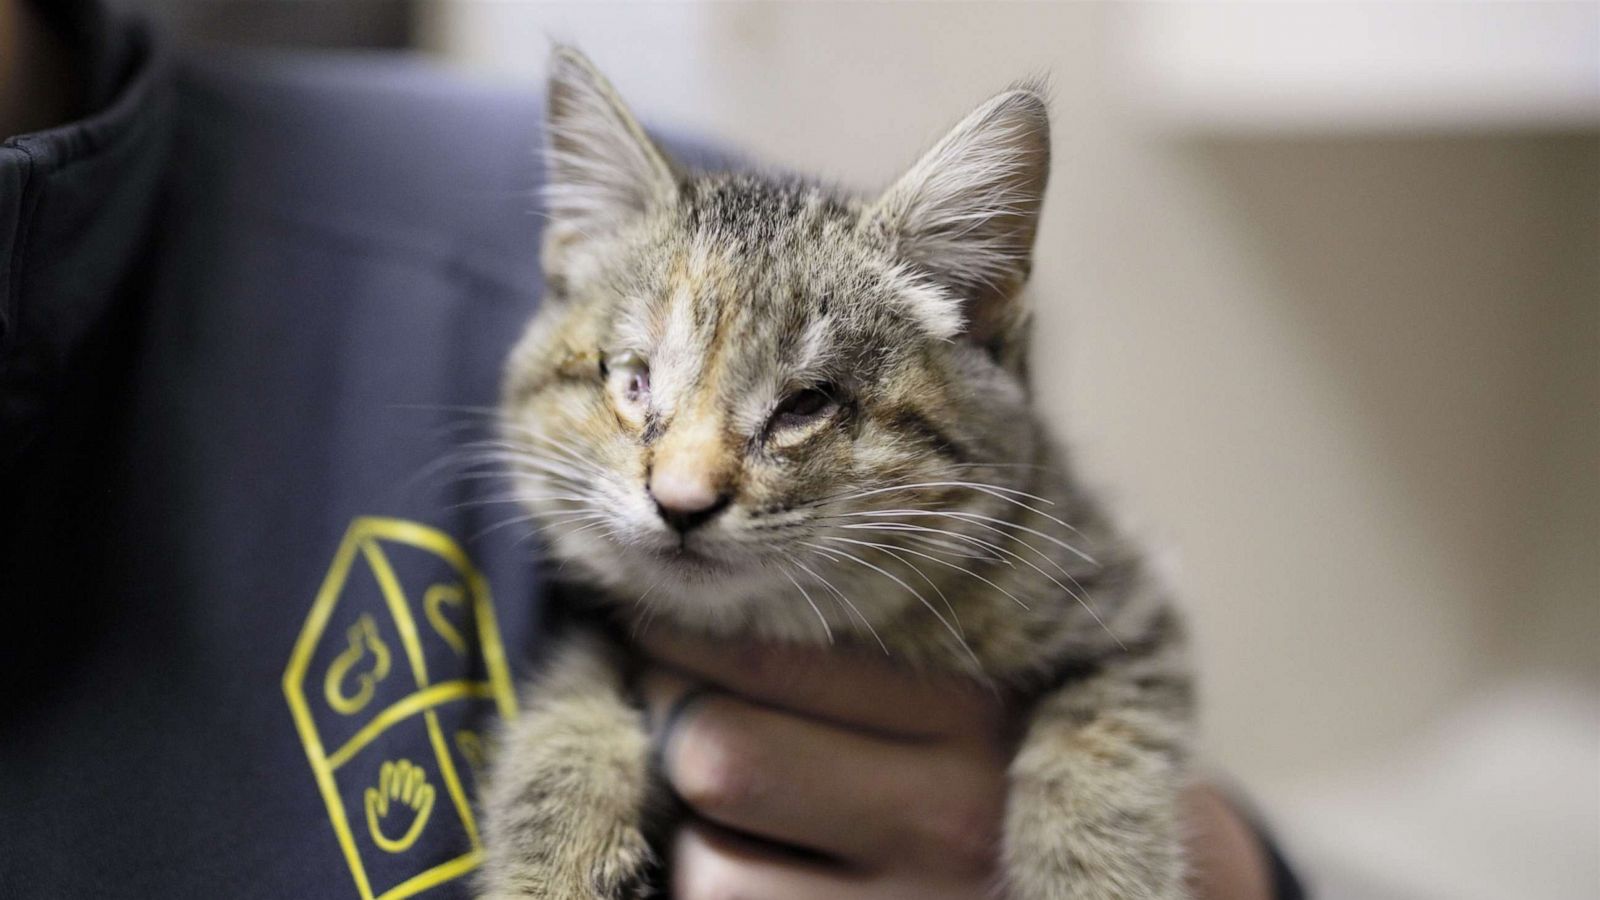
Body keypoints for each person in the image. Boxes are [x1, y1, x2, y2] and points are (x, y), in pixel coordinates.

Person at [0, 2, 1302, 897]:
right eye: (637, 386)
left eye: (797, 412)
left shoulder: (444, 220)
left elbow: (1122, 650)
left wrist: (1212, 868)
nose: (684, 485)